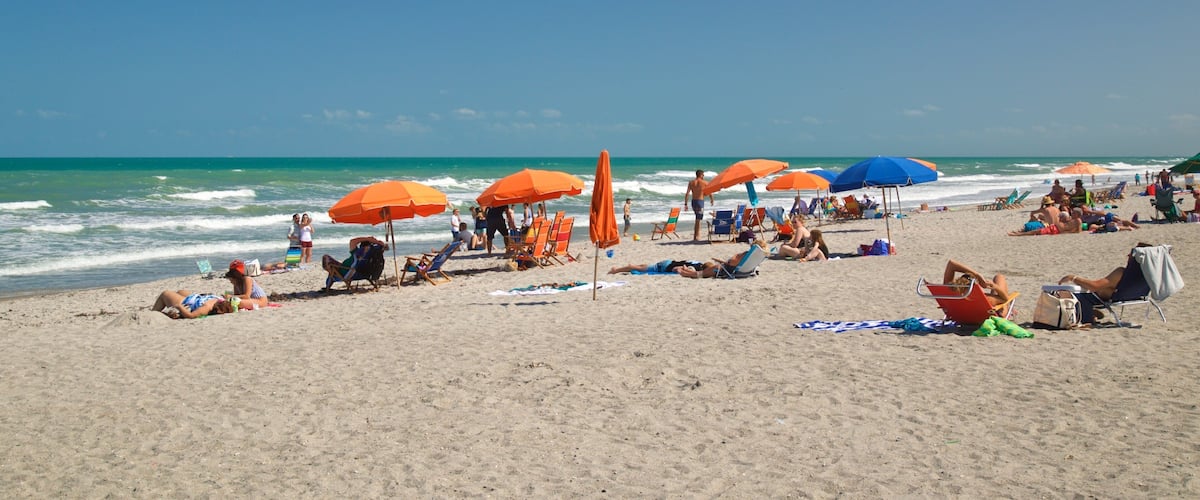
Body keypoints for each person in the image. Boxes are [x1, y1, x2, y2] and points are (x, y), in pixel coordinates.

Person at [321, 236, 388, 291]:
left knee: (326, 259)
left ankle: (329, 284)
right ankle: (331, 276)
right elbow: (385, 246)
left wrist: (368, 238)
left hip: (347, 273)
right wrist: (377, 242)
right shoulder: (373, 254)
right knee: (332, 265)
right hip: (360, 272)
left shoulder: (358, 254)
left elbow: (352, 241)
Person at [678, 240, 768, 279]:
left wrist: (729, 260)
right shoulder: (758, 256)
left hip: (729, 271)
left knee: (715, 268)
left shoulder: (746, 254)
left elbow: (732, 262)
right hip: (746, 272)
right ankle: (689, 272)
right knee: (714, 266)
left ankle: (689, 273)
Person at [942, 259, 1011, 307]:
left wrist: (977, 275)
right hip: (985, 319)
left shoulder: (948, 293)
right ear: (974, 286)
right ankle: (1008, 310)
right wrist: (995, 287)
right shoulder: (986, 299)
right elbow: (1005, 299)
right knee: (999, 277)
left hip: (961, 318)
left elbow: (951, 263)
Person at [151, 289, 233, 319]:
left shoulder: (207, 307)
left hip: (187, 303)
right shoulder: (221, 300)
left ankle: (153, 312)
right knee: (181, 291)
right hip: (195, 298)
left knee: (165, 293)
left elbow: (191, 315)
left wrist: (179, 307)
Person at [684, 169, 714, 241]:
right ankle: (697, 236)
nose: (703, 176)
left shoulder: (691, 182)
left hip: (693, 202)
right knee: (698, 219)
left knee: (697, 218)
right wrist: (712, 200)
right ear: (700, 175)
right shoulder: (704, 183)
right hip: (700, 202)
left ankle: (696, 235)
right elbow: (710, 192)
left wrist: (686, 204)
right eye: (703, 175)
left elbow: (687, 193)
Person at [608, 259, 705, 275]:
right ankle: (616, 270)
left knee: (644, 266)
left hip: (669, 261)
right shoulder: (695, 268)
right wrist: (685, 270)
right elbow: (677, 269)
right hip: (665, 266)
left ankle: (616, 269)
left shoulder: (697, 263)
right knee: (639, 268)